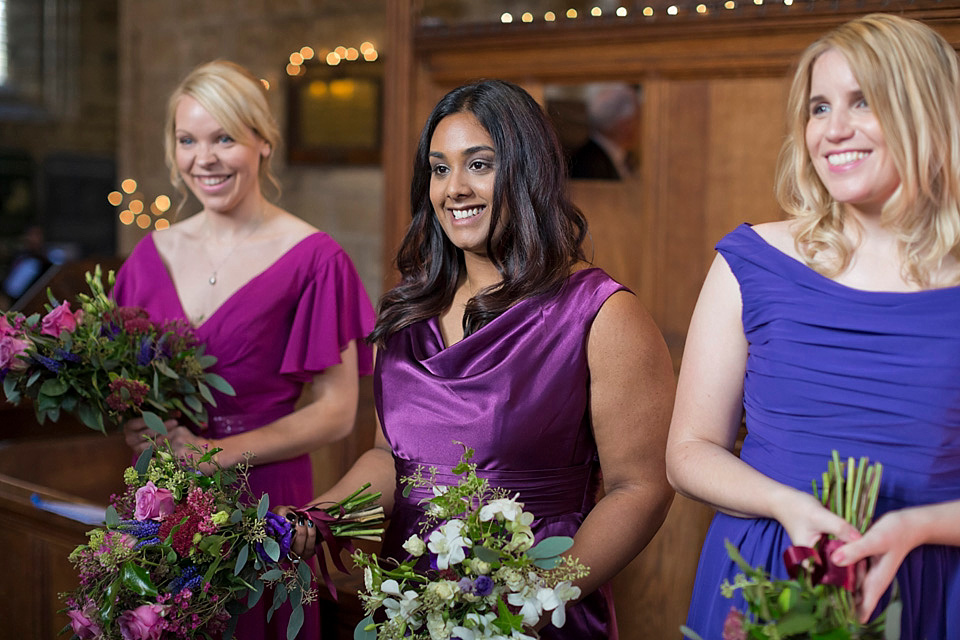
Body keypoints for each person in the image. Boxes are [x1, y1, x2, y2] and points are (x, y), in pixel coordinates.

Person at [279, 79, 675, 639]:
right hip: (411, 608)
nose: (454, 189)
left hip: (531, 615)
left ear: (527, 171)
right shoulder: (409, 312)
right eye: (439, 170)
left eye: (479, 165)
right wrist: (320, 516)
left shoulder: (597, 313)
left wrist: (533, 600)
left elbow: (642, 489)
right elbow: (391, 458)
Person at [666, 14, 960, 640]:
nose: (834, 130)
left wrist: (921, 526)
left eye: (864, 103)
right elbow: (689, 453)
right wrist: (784, 505)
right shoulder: (750, 263)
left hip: (934, 587)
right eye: (819, 107)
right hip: (772, 568)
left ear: (928, 113)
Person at [112, 60, 376, 640]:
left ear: (262, 142)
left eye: (224, 138)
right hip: (161, 499)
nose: (203, 158)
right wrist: (139, 423)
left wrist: (213, 455)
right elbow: (126, 382)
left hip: (265, 500)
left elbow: (336, 412)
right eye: (188, 140)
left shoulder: (315, 259)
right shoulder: (148, 256)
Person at [568, 83, 640, 180]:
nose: (639, 126)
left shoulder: (622, 158)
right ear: (625, 125)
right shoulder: (588, 164)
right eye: (636, 119)